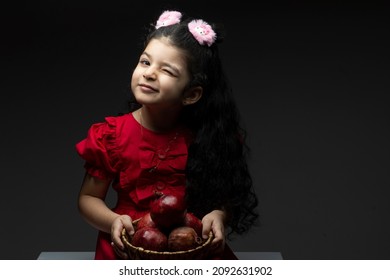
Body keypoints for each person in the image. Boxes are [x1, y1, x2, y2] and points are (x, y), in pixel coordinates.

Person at [75, 10, 259, 260]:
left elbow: (225, 196)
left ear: (191, 94)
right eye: (145, 62)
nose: (149, 73)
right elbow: (88, 198)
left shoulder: (207, 137)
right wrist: (114, 222)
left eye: (168, 71)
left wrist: (218, 215)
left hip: (191, 247)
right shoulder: (111, 135)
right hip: (127, 248)